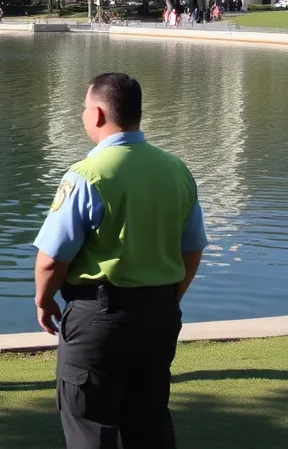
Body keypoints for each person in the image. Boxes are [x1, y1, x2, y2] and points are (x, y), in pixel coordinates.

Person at [33, 72, 206, 449]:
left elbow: (51, 259)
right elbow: (192, 249)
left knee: (89, 427)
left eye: (83, 108)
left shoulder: (86, 175)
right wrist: (168, 296)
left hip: (98, 318)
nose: (82, 116)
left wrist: (43, 303)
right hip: (159, 314)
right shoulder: (177, 170)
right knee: (149, 423)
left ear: (97, 114)